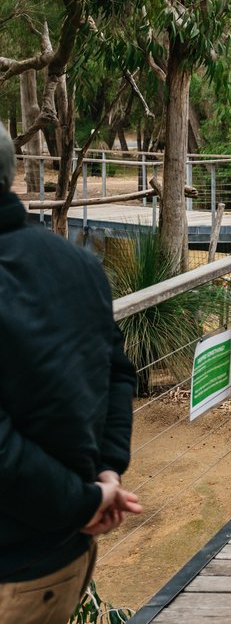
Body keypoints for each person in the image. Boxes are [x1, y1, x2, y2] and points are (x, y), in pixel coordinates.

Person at [0, 125, 142, 623]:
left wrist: (85, 498)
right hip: (61, 563)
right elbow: (117, 373)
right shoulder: (78, 264)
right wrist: (106, 470)